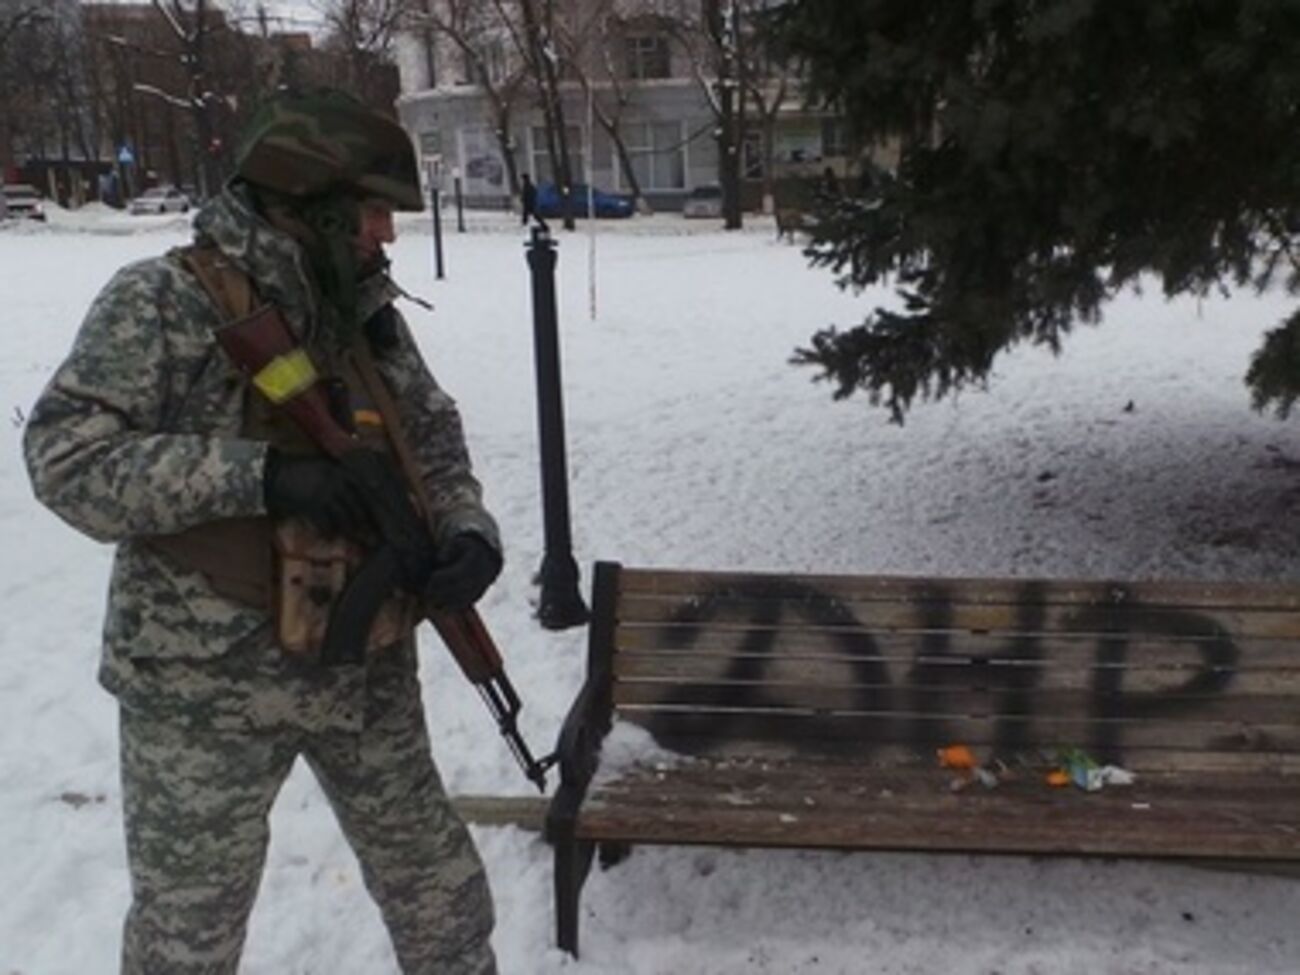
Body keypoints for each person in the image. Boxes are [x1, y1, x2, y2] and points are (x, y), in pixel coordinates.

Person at [24, 89, 504, 975]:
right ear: (307, 206)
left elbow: (430, 437)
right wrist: (265, 477)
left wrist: (469, 531)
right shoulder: (164, 302)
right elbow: (66, 460)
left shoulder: (360, 312)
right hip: (205, 686)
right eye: (370, 212)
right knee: (187, 939)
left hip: (364, 667)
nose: (385, 236)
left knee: (442, 897)